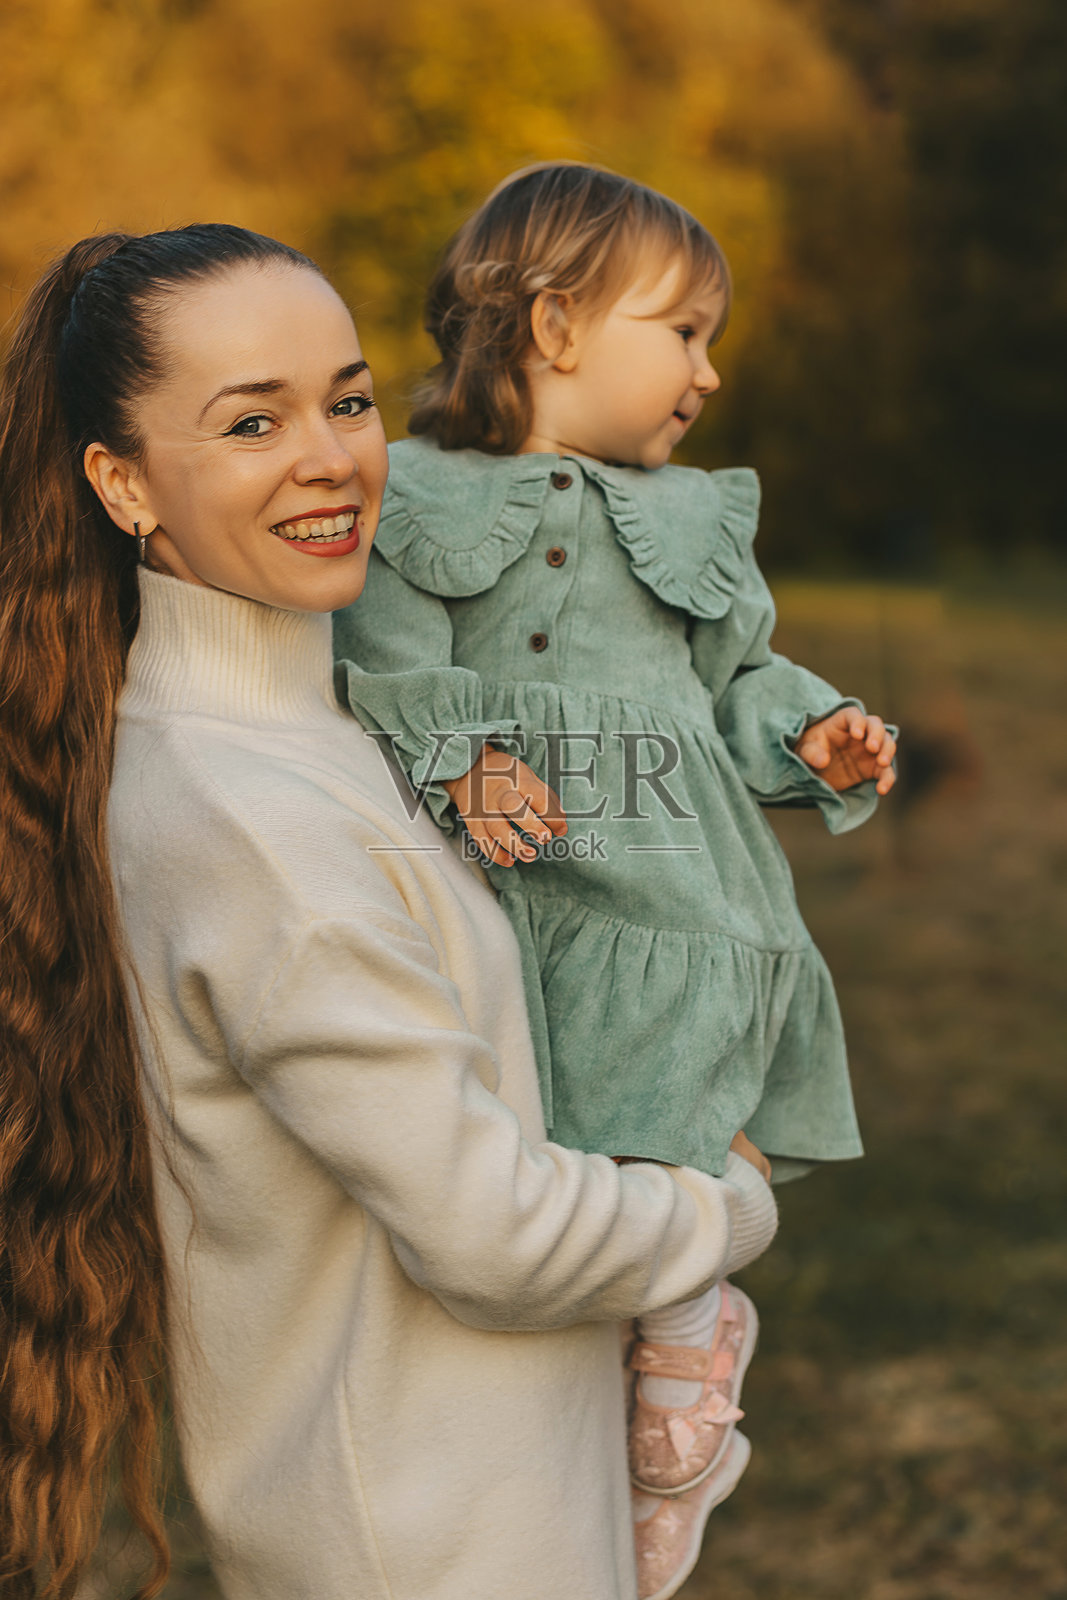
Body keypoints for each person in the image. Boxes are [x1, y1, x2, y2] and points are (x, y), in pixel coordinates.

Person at [0, 222, 779, 1600]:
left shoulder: (338, 729)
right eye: (253, 421)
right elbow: (491, 1231)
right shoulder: (254, 825)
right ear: (122, 484)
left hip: (490, 1507)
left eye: (348, 400)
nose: (331, 458)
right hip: (415, 1549)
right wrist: (720, 1203)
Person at [334, 161, 898, 1586]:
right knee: (534, 1159)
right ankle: (573, 1437)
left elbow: (739, 680)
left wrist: (810, 731)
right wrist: (465, 756)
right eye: (686, 329)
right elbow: (383, 669)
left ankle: (687, 1335)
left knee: (669, 1106)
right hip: (518, 889)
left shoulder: (695, 518)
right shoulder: (407, 500)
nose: (709, 370)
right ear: (558, 323)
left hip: (674, 892)